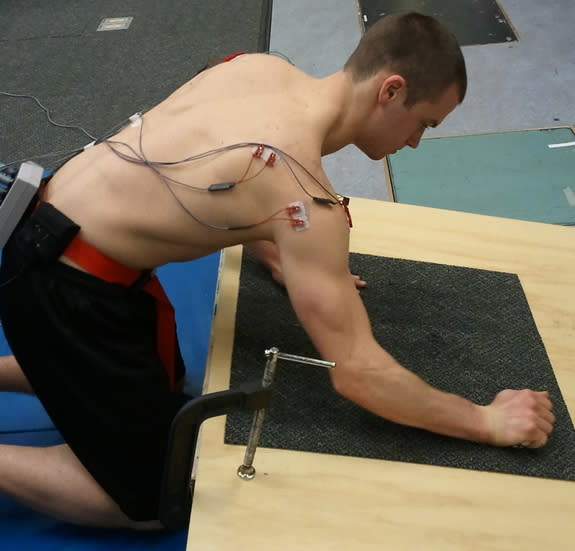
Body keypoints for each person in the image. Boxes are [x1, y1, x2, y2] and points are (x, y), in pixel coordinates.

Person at [0, 12, 554, 530]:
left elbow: (203, 158)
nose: (414, 142)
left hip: (40, 222)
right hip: (62, 287)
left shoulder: (260, 65)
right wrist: (486, 420)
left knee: (168, 380)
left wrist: (273, 241)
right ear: (391, 91)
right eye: (423, 123)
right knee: (151, 496)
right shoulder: (308, 200)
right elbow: (358, 373)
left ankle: (44, 363)